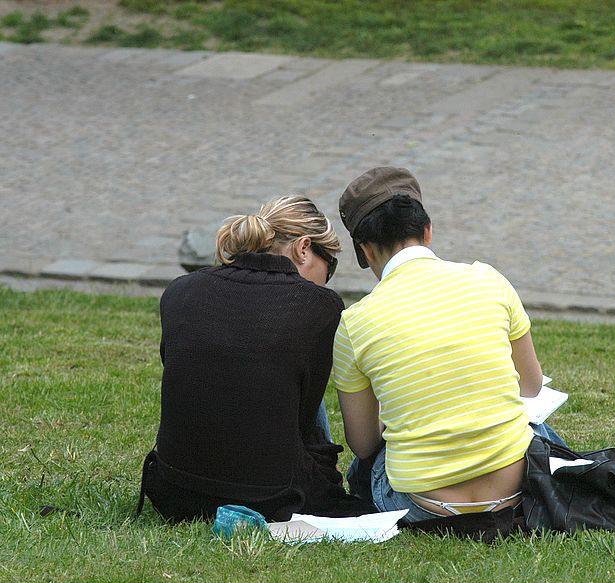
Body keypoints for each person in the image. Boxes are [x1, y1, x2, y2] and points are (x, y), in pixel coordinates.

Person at [332, 167, 565, 523]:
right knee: (535, 431)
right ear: (427, 230)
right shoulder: (489, 280)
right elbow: (531, 386)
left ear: (364, 251)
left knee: (371, 465)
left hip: (422, 508)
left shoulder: (354, 323)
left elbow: (363, 445)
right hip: (517, 493)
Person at [138, 195, 375, 522]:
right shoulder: (318, 305)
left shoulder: (180, 291)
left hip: (174, 490)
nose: (326, 279)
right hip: (270, 496)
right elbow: (302, 423)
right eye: (329, 265)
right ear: (304, 248)